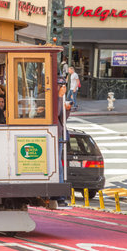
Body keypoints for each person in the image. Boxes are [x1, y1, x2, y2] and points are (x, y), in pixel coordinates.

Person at [54, 77, 72, 207]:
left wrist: (68, 109)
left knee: (58, 165)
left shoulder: (61, 98)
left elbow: (62, 118)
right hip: (52, 135)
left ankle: (59, 194)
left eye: (64, 85)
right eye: (60, 85)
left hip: (59, 135)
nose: (62, 88)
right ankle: (57, 193)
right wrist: (60, 98)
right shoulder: (52, 98)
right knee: (56, 165)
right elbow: (54, 113)